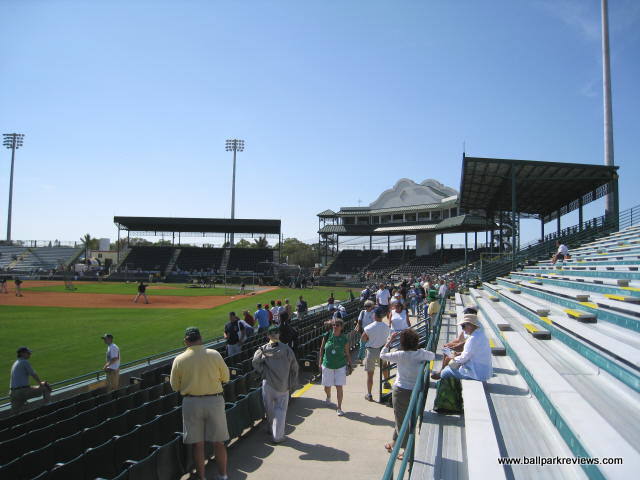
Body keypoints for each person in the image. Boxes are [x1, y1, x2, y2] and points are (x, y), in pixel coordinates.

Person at [170, 327, 230, 480]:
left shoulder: (179, 359)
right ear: (200, 339)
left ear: (186, 341)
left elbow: (174, 386)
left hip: (191, 403)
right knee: (219, 442)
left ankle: (202, 478)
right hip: (214, 401)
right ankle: (223, 476)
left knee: (198, 444)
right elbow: (226, 378)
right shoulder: (214, 354)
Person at [380, 329, 435, 457]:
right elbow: (432, 356)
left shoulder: (400, 354)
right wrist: (421, 352)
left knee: (401, 420)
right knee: (405, 419)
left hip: (400, 391)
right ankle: (395, 442)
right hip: (416, 390)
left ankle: (406, 450)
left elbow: (382, 355)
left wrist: (389, 341)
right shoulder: (421, 354)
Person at [252, 325, 299, 444]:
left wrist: (263, 372)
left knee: (269, 409)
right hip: (283, 385)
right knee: (281, 411)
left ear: (268, 335)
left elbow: (255, 362)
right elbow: (295, 367)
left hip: (268, 384)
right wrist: (293, 382)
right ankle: (278, 436)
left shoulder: (262, 349)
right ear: (279, 334)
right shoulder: (287, 349)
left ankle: (270, 428)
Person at [439, 313, 492, 381]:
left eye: (463, 326)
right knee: (450, 365)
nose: (462, 329)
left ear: (470, 325)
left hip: (476, 373)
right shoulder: (481, 335)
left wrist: (453, 358)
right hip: (484, 372)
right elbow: (472, 353)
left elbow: (464, 358)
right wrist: (458, 355)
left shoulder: (473, 338)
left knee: (444, 372)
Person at [319, 318, 353, 416]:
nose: (335, 327)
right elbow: (321, 349)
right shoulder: (327, 335)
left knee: (339, 386)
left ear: (341, 327)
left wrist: (350, 365)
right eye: (334, 325)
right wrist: (319, 362)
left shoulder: (344, 339)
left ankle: (339, 407)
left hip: (340, 366)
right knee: (327, 386)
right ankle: (328, 396)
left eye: (337, 325)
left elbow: (347, 353)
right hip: (327, 365)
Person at [431, 307, 476, 380]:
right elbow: (459, 339)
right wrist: (448, 345)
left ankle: (442, 372)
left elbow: (464, 345)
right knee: (446, 348)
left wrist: (453, 348)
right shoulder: (468, 325)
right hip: (464, 349)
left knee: (448, 358)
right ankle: (442, 371)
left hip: (466, 351)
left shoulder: (472, 330)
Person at [361, 306, 391, 401]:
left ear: (374, 315)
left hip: (371, 351)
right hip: (382, 350)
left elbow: (363, 339)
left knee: (370, 374)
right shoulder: (386, 327)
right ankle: (386, 382)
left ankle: (369, 394)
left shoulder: (369, 327)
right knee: (384, 367)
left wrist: (370, 339)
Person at [9, 346, 51, 413]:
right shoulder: (24, 362)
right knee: (45, 387)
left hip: (13, 393)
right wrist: (41, 384)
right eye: (28, 353)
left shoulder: (15, 363)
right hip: (22, 391)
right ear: (22, 353)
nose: (30, 354)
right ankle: (48, 408)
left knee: (16, 413)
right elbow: (33, 374)